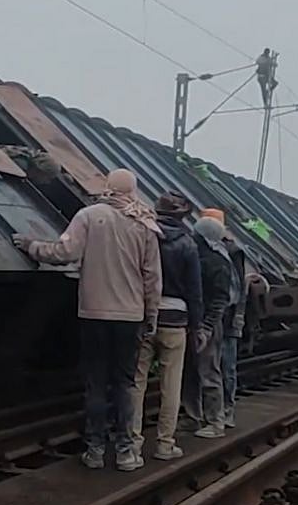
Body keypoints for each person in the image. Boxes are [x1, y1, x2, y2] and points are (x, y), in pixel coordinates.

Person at [14, 168, 161, 472]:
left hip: (94, 313)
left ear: (108, 186)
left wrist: (31, 246)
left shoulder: (89, 216)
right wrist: (151, 316)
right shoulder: (144, 222)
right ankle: (125, 453)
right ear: (133, 189)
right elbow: (152, 278)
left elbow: (65, 252)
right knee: (124, 385)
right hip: (130, 317)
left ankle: (94, 450)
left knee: (95, 383)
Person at [129, 191, 202, 461]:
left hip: (144, 314)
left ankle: (132, 445)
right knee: (171, 384)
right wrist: (197, 326)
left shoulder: (144, 235)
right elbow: (194, 290)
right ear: (182, 216)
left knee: (137, 382)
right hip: (176, 319)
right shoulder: (187, 244)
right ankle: (165, 444)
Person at [182, 214, 233, 438]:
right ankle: (193, 417)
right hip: (198, 321)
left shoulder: (216, 262)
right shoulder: (211, 258)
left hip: (206, 323)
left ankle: (215, 422)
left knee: (208, 372)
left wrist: (207, 326)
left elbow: (220, 299)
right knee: (191, 372)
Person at [220, 232, 248, 429]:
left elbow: (240, 288)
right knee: (222, 368)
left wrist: (238, 315)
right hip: (222, 317)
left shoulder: (233, 252)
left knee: (226, 367)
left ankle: (227, 409)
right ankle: (221, 410)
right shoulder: (230, 251)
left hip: (228, 319)